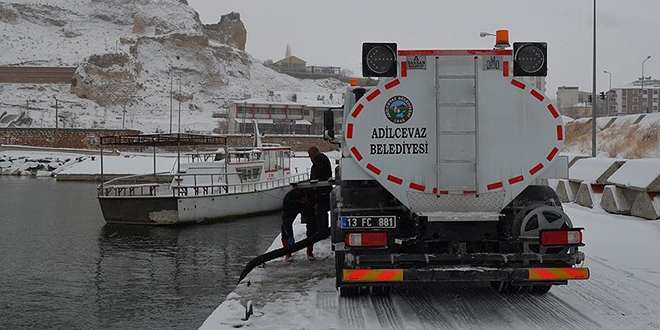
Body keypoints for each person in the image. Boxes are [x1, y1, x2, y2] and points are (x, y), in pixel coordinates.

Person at [305, 146, 333, 261]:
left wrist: (316, 189)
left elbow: (318, 174)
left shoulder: (319, 160)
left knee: (320, 212)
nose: (309, 157)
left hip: (322, 191)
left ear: (313, 152)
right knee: (323, 212)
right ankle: (323, 230)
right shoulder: (322, 159)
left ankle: (323, 231)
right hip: (324, 190)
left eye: (309, 155)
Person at [280, 188, 314, 261]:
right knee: (285, 227)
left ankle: (310, 251)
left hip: (307, 207)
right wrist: (290, 235)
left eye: (306, 199)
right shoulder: (288, 200)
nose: (305, 200)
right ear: (298, 200)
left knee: (312, 224)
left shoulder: (309, 195)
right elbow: (286, 220)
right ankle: (287, 252)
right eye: (303, 200)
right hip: (292, 208)